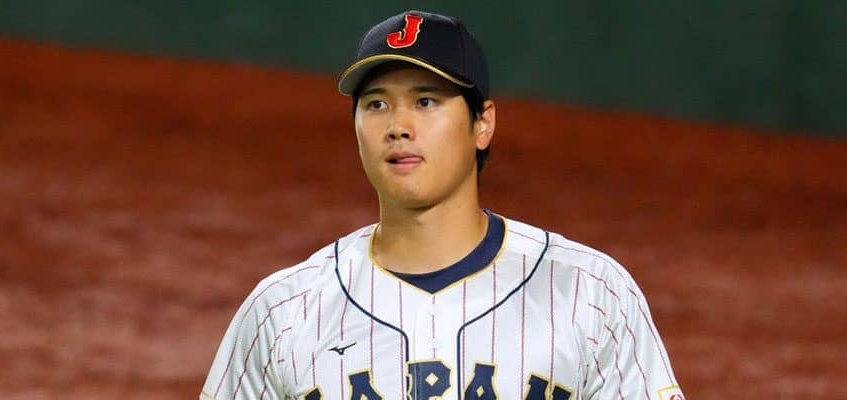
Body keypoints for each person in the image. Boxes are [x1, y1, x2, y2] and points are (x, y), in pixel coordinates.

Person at [199, 10, 684, 400]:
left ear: (482, 124)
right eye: (376, 104)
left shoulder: (588, 293)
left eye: (426, 101)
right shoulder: (283, 312)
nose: (398, 126)